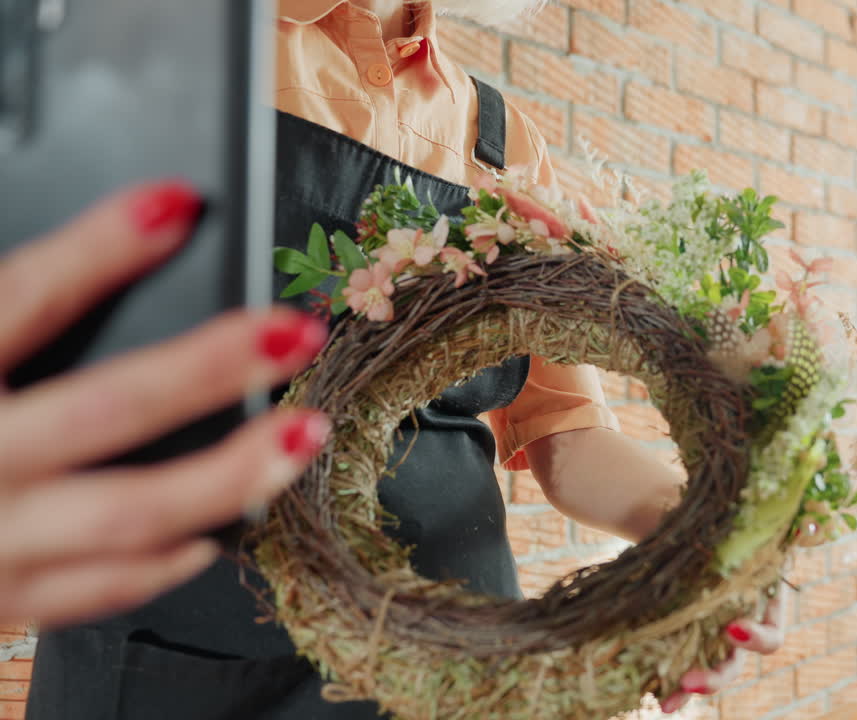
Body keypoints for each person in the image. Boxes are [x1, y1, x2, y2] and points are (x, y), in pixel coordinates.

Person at [16, 1, 785, 717]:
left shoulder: (500, 136)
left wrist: (706, 539)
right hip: (185, 655)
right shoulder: (161, 46)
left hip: (455, 659)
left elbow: (573, 442)